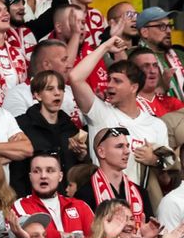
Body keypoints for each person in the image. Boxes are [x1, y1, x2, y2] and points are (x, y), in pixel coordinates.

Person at [69, 38, 170, 183]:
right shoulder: (100, 113)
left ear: (133, 87)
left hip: (140, 202)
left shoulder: (156, 125)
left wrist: (155, 160)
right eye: (109, 80)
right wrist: (105, 46)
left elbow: (166, 180)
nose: (109, 85)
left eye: (117, 81)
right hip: (105, 200)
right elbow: (75, 77)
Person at [13, 152, 94, 238]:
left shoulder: (80, 206)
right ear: (30, 177)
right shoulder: (20, 206)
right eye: (37, 171)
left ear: (60, 176)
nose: (43, 176)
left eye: (50, 170)